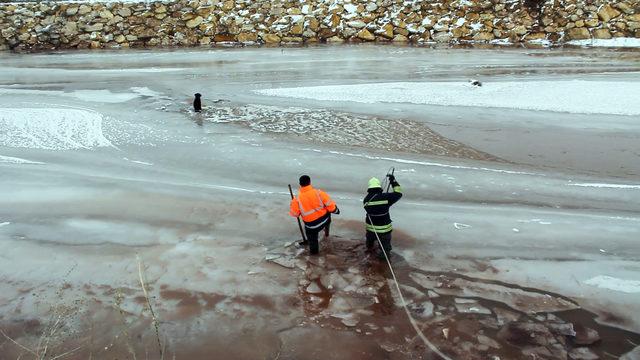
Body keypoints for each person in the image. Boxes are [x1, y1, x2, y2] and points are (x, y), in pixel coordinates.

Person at [289, 175, 340, 255]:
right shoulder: (319, 193)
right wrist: (337, 211)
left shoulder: (297, 199)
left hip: (312, 226)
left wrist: (292, 204)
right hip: (325, 220)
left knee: (312, 239)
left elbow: (295, 214)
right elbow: (331, 207)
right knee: (328, 212)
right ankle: (326, 234)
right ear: (310, 182)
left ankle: (314, 254)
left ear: (300, 184)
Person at [363, 175, 402, 260]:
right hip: (384, 230)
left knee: (370, 243)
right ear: (379, 186)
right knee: (385, 248)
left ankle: (369, 251)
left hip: (371, 229)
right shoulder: (386, 197)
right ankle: (383, 259)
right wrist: (393, 181)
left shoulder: (366, 200)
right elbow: (399, 193)